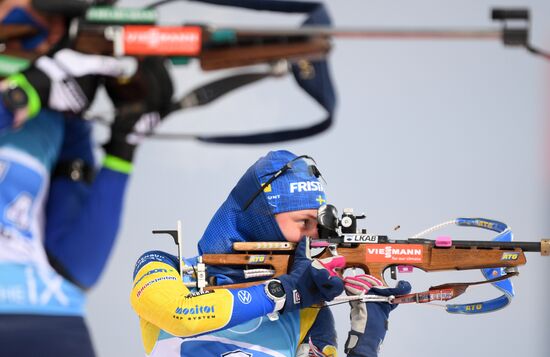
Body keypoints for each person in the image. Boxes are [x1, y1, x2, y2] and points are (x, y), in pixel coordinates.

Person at [0, 1, 174, 356]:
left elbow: (77, 268)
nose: (52, 29)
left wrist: (122, 151)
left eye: (61, 20)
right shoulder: (37, 90)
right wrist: (21, 95)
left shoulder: (52, 112)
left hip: (49, 322)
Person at [131, 150, 411, 357]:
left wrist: (366, 340)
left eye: (319, 227)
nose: (313, 238)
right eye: (304, 223)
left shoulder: (307, 309)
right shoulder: (164, 266)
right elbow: (180, 314)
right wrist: (280, 293)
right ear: (261, 215)